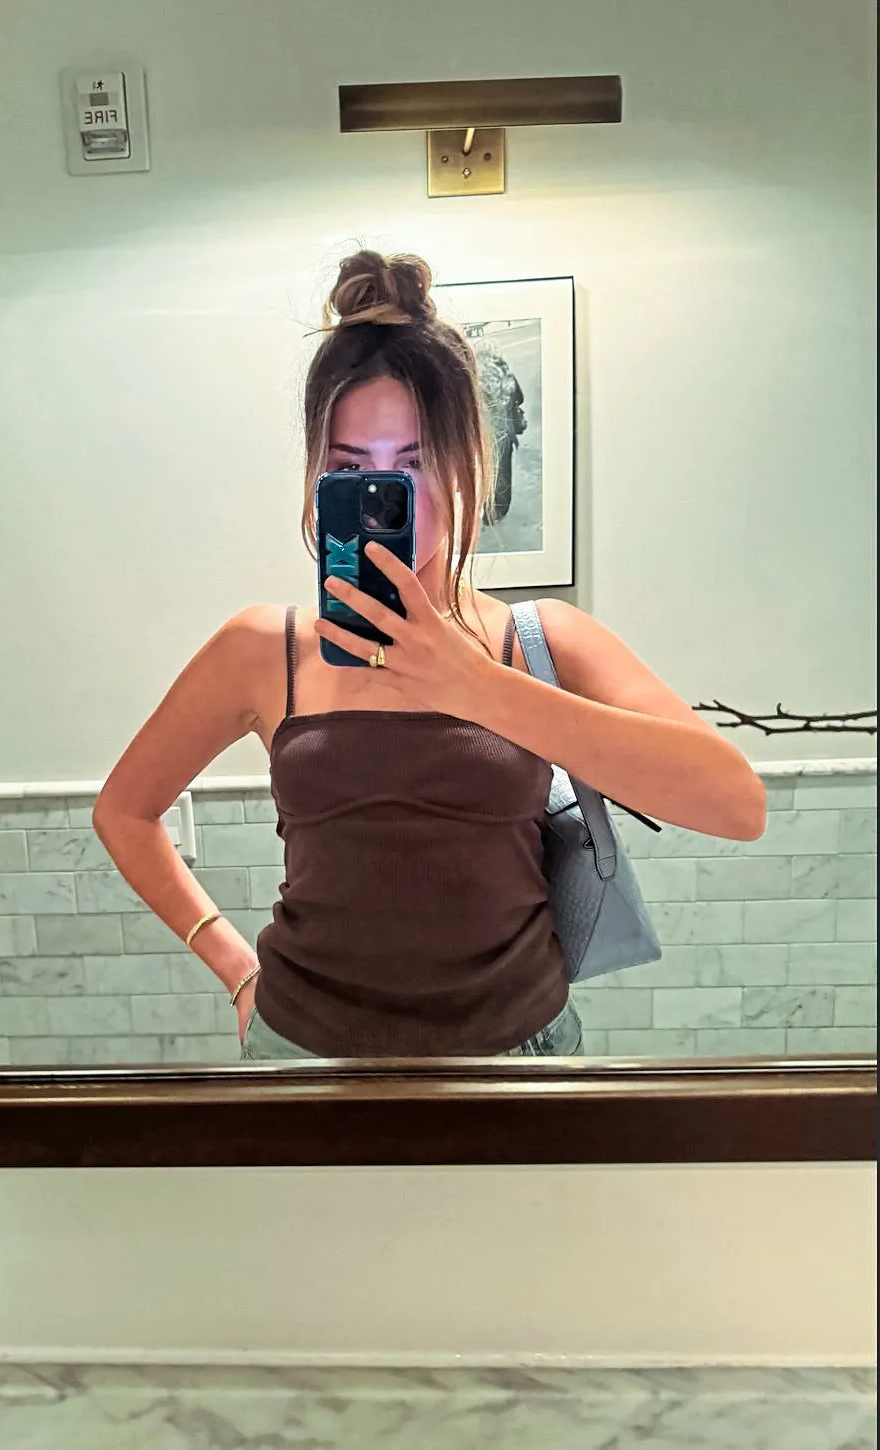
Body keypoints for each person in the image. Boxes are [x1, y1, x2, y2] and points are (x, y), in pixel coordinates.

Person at [93, 249, 767, 1061]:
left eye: (413, 462)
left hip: (518, 1060)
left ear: (468, 459)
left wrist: (479, 686)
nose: (389, 497)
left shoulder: (541, 641)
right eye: (351, 468)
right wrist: (236, 968)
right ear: (317, 475)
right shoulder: (262, 650)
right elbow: (124, 811)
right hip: (305, 1060)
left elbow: (737, 806)